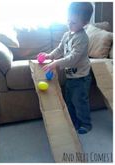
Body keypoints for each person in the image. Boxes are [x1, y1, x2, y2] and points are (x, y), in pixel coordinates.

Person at [42, 2, 93, 134]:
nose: (69, 24)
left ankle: (85, 124)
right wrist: (49, 55)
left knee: (80, 101)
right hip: (71, 76)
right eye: (68, 20)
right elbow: (59, 49)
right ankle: (73, 122)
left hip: (81, 77)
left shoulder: (82, 38)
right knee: (69, 100)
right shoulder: (67, 34)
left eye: (74, 22)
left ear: (85, 23)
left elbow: (73, 58)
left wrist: (56, 63)